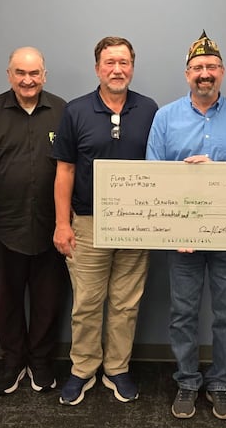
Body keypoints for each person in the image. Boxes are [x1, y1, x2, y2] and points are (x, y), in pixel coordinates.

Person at [146, 30, 226, 420]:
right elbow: (153, 174)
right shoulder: (165, 117)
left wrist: (221, 169)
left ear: (222, 72)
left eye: (212, 67)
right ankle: (186, 380)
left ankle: (219, 381)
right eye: (198, 67)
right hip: (181, 236)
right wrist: (171, 230)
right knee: (182, 313)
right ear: (187, 74)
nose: (205, 73)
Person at [53, 37, 158, 406]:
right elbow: (64, 170)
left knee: (126, 302)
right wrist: (61, 223)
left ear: (133, 66)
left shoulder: (149, 110)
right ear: (97, 67)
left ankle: (117, 367)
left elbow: (160, 167)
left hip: (136, 222)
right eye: (110, 62)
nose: (117, 69)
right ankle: (82, 368)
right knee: (86, 302)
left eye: (124, 62)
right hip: (87, 222)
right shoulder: (76, 111)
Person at [0, 46, 69, 395]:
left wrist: (67, 223)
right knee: (5, 302)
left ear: (44, 75)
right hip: (2, 230)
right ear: (9, 75)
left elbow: (75, 168)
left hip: (51, 229)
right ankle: (12, 362)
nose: (27, 80)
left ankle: (40, 363)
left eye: (34, 73)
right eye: (20, 73)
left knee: (48, 301)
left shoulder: (63, 112)